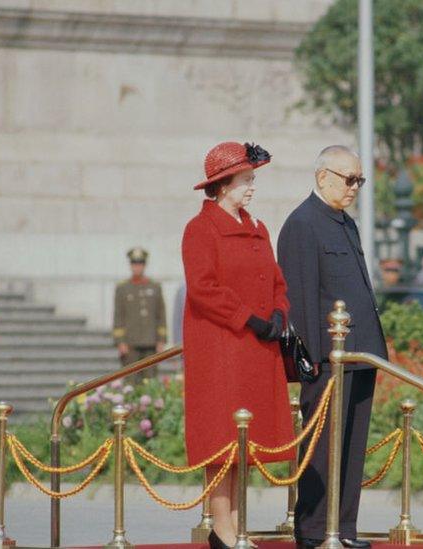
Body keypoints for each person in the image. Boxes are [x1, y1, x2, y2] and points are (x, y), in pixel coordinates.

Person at [181, 141, 295, 549]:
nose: (251, 188)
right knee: (222, 440)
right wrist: (249, 318)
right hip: (222, 351)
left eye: (251, 180)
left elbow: (277, 281)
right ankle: (222, 527)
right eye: (246, 180)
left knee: (243, 441)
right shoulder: (201, 229)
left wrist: (280, 314)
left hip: (255, 348)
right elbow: (203, 289)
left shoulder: (257, 227)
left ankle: (232, 525)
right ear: (223, 185)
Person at [277, 145, 385, 549]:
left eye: (360, 179)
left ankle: (343, 529)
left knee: (352, 448)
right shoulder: (303, 224)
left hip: (359, 353)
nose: (355, 187)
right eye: (348, 178)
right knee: (322, 448)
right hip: (327, 358)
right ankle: (314, 529)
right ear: (323, 176)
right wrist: (309, 359)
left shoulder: (344, 223)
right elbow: (300, 297)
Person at [112, 247, 167, 382]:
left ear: (144, 265)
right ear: (131, 265)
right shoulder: (122, 288)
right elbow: (118, 315)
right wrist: (120, 341)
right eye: (134, 264)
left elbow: (161, 314)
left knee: (150, 381)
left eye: (140, 264)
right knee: (131, 381)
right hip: (131, 343)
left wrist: (161, 339)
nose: (137, 267)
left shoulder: (155, 287)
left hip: (150, 342)